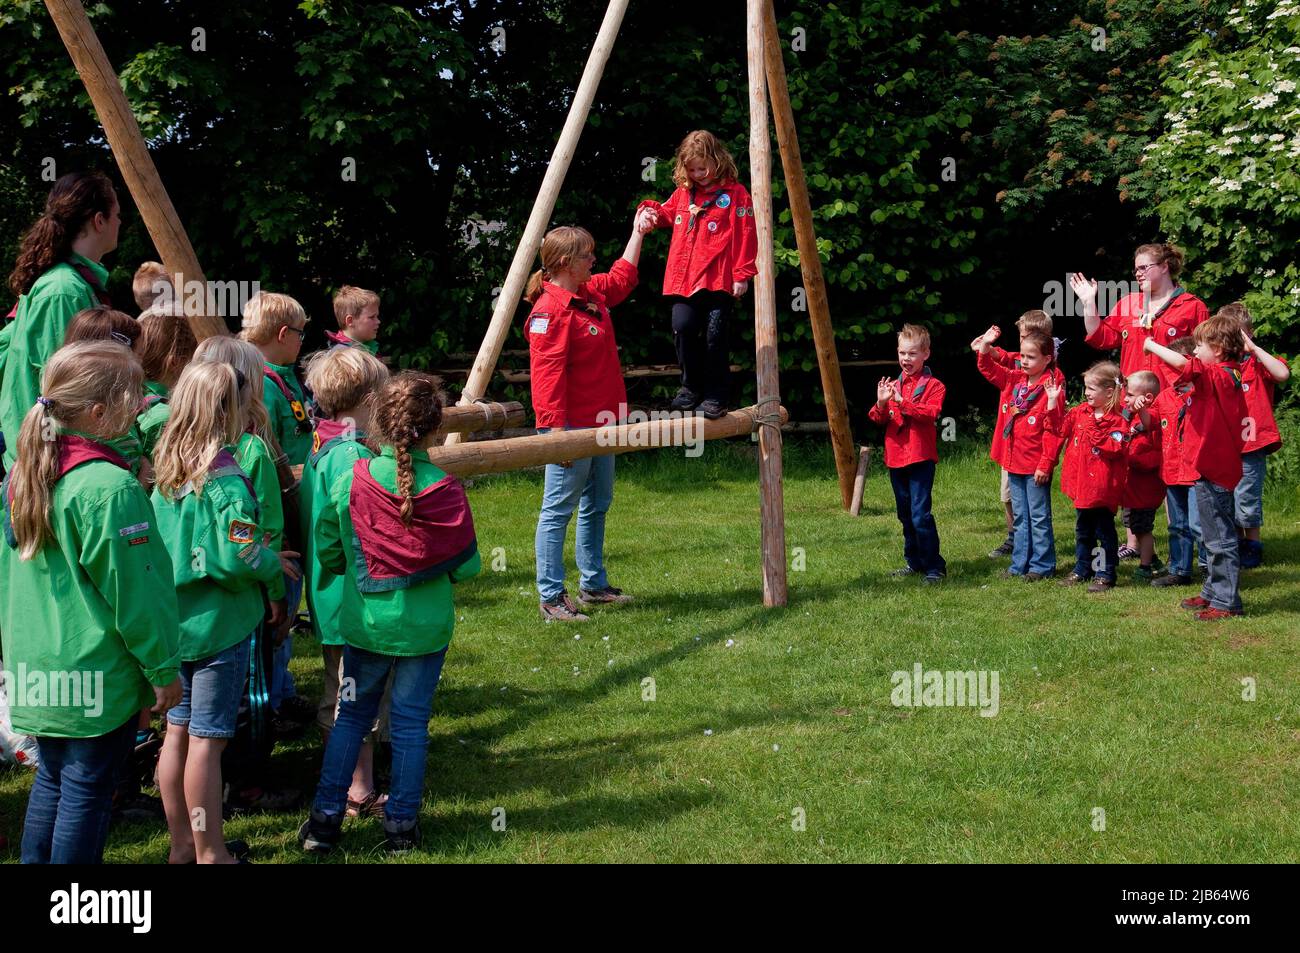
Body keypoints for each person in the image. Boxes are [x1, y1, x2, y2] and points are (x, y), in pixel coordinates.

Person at [0, 341, 181, 863]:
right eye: (135, 396)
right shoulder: (108, 487)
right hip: (94, 674)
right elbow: (138, 594)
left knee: (53, 781)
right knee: (85, 789)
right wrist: (163, 668)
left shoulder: (25, 475)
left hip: (38, 669)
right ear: (101, 413)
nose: (144, 403)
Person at [297, 372, 480, 853]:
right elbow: (467, 568)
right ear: (436, 428)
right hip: (425, 628)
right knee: (411, 723)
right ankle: (401, 828)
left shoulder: (350, 480)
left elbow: (332, 556)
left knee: (352, 719)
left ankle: (323, 824)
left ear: (377, 421)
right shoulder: (446, 489)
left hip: (367, 626)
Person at [151, 361, 296, 862]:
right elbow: (242, 549)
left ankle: (181, 846)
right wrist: (273, 568)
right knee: (208, 744)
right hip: (219, 625)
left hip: (176, 622)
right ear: (228, 410)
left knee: (177, 734)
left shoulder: (166, 469)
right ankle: (213, 851)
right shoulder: (226, 476)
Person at [525, 217, 647, 622]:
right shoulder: (550, 311)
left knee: (598, 503)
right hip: (571, 427)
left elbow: (621, 280)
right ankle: (551, 596)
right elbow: (546, 377)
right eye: (585, 254)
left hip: (603, 422)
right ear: (563, 262)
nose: (593, 258)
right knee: (558, 509)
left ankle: (593, 585)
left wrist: (639, 232)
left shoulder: (588, 291)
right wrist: (554, 434)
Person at [300, 345, 392, 817]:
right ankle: (357, 788)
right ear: (369, 397)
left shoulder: (322, 442)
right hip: (350, 596)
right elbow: (359, 529)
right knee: (353, 696)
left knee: (337, 689)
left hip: (327, 591)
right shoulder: (351, 455)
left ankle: (341, 780)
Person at [2, 171, 120, 469]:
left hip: (58, 457)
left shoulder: (70, 284)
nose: (120, 222)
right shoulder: (63, 291)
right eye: (116, 214)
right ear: (99, 220)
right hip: (50, 463)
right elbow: (65, 388)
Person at [638, 130, 757, 419]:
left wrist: (742, 274)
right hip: (684, 279)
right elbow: (666, 213)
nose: (698, 174)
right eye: (692, 169)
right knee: (683, 326)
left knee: (715, 336)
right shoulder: (683, 193)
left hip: (719, 278)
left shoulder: (735, 194)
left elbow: (746, 234)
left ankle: (716, 396)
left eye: (703, 168)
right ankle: (690, 387)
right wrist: (650, 212)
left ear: (717, 161)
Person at [1143, 315, 1249, 620]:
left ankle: (1227, 602)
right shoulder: (1216, 378)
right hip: (1206, 467)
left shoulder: (1224, 376)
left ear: (1217, 349)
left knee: (1219, 539)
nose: (1195, 352)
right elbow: (1183, 374)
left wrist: (1152, 344)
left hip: (1216, 469)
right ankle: (1213, 592)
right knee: (1210, 535)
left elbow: (1187, 367)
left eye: (1199, 346)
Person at [975, 325, 1061, 581]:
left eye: (1031, 357)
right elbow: (989, 369)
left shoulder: (1051, 388)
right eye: (1022, 356)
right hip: (1014, 462)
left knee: (1039, 518)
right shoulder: (1015, 380)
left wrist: (1046, 464)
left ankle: (1042, 566)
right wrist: (985, 347)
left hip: (1035, 465)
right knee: (1021, 518)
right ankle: (1019, 564)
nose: (1023, 361)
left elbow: (1055, 431)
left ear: (1047, 359)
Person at [868, 323, 947, 583]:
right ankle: (914, 562)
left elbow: (930, 413)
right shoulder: (892, 385)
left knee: (920, 515)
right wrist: (882, 402)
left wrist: (902, 402)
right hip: (896, 458)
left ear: (926, 354)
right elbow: (878, 419)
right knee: (904, 515)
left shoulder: (934, 385)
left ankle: (935, 567)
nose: (906, 359)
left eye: (912, 354)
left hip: (920, 458)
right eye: (902, 353)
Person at [1070, 242, 1208, 387]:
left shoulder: (1193, 307)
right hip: (1131, 400)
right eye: (1136, 270)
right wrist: (1088, 302)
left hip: (1172, 401)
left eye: (1143, 268)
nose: (1137, 273)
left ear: (1164, 267)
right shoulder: (1128, 303)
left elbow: (1204, 360)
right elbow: (1100, 337)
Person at [1046, 362, 1129, 592]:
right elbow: (1058, 428)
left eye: (1091, 389)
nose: (1086, 393)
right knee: (1083, 530)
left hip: (1102, 488)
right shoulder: (1079, 412)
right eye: (1086, 388)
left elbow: (1115, 448)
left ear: (1109, 392)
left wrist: (1095, 428)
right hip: (1082, 484)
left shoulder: (1117, 420)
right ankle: (1084, 568)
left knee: (1104, 531)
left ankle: (1105, 572)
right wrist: (1052, 402)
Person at [1217, 301, 1288, 568]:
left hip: (1252, 443)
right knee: (1227, 497)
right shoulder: (1222, 367)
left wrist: (1254, 349)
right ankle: (1235, 544)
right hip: (1225, 445)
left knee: (1246, 496)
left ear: (1250, 333)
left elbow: (1282, 373)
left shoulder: (1257, 365)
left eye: (1241, 336)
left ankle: (1253, 544)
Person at [1149, 337, 1202, 587]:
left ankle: (1208, 569)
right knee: (1177, 524)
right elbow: (1149, 422)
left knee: (1199, 525)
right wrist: (1139, 409)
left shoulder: (1202, 393)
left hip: (1196, 472)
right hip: (1172, 471)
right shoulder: (1165, 397)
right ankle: (1180, 570)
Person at [240, 291, 314, 467]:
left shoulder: (286, 377)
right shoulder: (261, 386)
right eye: (300, 334)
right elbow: (263, 457)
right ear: (283, 334)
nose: (301, 341)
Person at [1119, 371, 1167, 581]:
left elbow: (1150, 426)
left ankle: (1145, 566)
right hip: (1131, 490)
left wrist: (1143, 411)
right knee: (1134, 526)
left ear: (1147, 398)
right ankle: (1155, 560)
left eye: (1129, 394)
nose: (1125, 399)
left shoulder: (1151, 419)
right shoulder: (1129, 417)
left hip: (1145, 492)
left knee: (1143, 529)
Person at [327, 285, 381, 355]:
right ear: (350, 321)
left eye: (377, 316)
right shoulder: (342, 357)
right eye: (372, 317)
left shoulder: (368, 347)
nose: (378, 321)